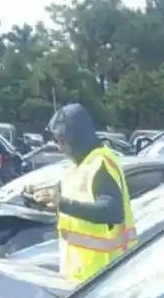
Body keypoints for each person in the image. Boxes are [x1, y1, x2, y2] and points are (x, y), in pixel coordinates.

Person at [46, 102, 134, 282]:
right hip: (78, 278)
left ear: (76, 139)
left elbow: (112, 210)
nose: (59, 147)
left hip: (102, 278)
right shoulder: (76, 168)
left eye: (62, 141)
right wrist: (44, 199)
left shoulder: (101, 163)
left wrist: (62, 203)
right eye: (57, 141)